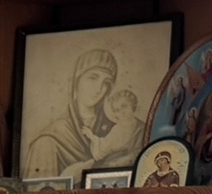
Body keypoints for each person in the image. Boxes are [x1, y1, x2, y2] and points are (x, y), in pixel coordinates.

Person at [25, 49, 145, 181]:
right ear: (76, 81)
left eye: (106, 83)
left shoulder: (124, 129)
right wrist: (69, 178)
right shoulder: (49, 140)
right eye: (92, 78)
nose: (99, 89)